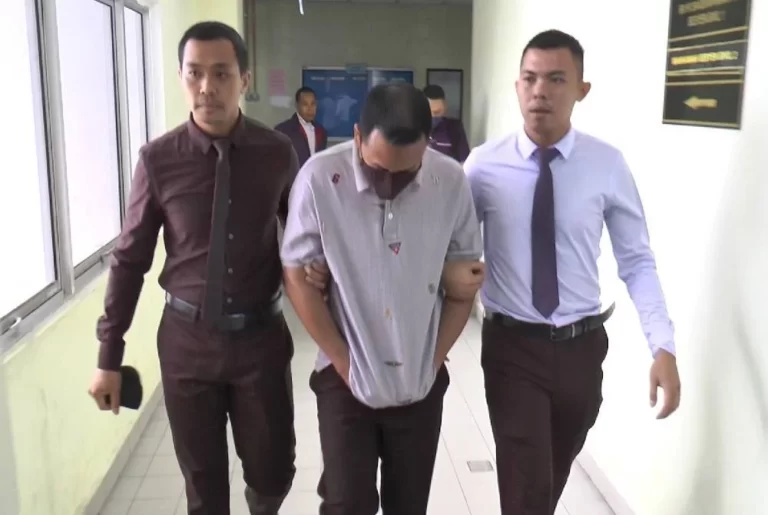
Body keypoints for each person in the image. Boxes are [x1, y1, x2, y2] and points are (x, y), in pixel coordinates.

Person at [463, 29, 682, 515]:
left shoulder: (606, 165)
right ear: (517, 86)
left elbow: (637, 260)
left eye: (556, 79)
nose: (540, 90)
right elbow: (446, 246)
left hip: (582, 348)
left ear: (582, 89)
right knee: (526, 486)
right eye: (530, 78)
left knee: (549, 478)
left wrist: (662, 345)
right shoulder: (482, 167)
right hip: (512, 346)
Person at [87, 21, 299, 515]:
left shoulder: (276, 154)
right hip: (187, 344)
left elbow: (306, 238)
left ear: (244, 80)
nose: (207, 87)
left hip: (260, 342)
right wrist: (108, 355)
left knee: (273, 472)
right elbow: (129, 259)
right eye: (194, 73)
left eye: (221, 73)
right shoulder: (158, 160)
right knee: (203, 487)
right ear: (182, 77)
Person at [281, 83, 484, 515]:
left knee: (408, 505)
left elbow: (465, 281)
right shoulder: (320, 178)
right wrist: (343, 361)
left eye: (406, 173)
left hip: (419, 380)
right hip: (344, 379)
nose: (389, 185)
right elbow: (296, 274)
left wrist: (433, 360)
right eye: (377, 170)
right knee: (347, 503)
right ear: (357, 137)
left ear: (426, 146)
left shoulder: (449, 180)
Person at [275, 86, 328, 167]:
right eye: (305, 104)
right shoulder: (283, 131)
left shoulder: (321, 131)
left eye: (313, 104)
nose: (310, 109)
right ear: (297, 105)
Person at [423, 84, 470, 162]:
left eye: (438, 112)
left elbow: (464, 161)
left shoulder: (454, 128)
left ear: (445, 107)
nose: (434, 116)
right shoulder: (412, 129)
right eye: (430, 112)